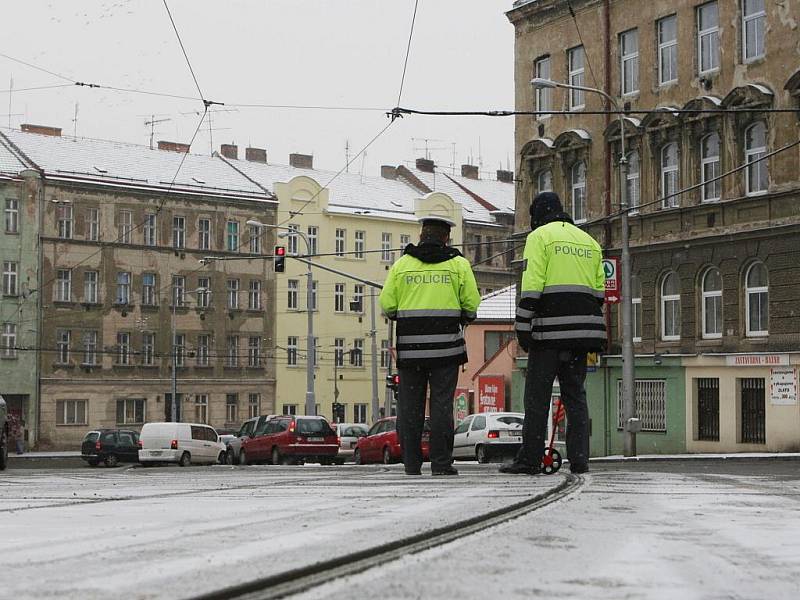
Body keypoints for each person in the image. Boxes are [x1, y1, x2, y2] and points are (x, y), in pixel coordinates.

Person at [501, 191, 606, 475]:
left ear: (537, 216)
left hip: (549, 334)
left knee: (537, 397)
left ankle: (530, 459)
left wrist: (523, 327)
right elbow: (598, 294)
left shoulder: (539, 238)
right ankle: (580, 459)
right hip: (583, 335)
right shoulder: (590, 242)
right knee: (576, 397)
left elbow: (532, 286)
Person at [380, 216, 480, 476]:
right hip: (446, 351)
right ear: (446, 237)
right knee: (441, 407)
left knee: (410, 408)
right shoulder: (458, 264)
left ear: (422, 235)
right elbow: (471, 304)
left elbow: (388, 305)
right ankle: (441, 464)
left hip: (411, 351)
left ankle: (411, 464)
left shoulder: (402, 265)